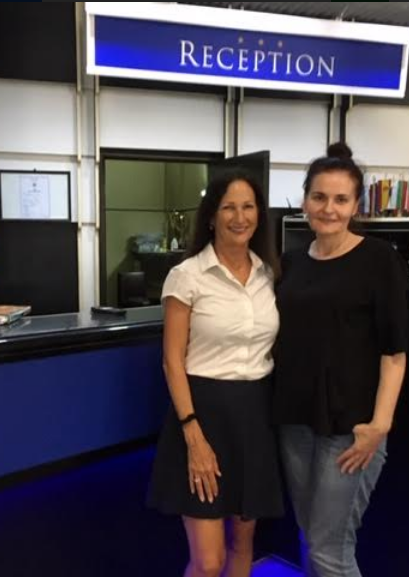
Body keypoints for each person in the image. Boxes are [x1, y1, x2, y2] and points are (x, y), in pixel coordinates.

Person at [272, 143, 409, 577]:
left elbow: (395, 350)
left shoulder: (379, 260)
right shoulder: (292, 262)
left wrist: (379, 426)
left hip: (352, 428)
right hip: (295, 421)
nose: (328, 208)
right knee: (309, 536)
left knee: (330, 549)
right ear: (304, 200)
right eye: (319, 197)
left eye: (340, 199)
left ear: (355, 205)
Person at [148, 170, 284, 577]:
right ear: (211, 216)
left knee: (242, 544)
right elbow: (172, 361)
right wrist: (193, 435)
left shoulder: (268, 274)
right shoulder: (187, 275)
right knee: (209, 562)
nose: (239, 217)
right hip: (202, 416)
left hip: (255, 418)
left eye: (248, 207)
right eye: (228, 208)